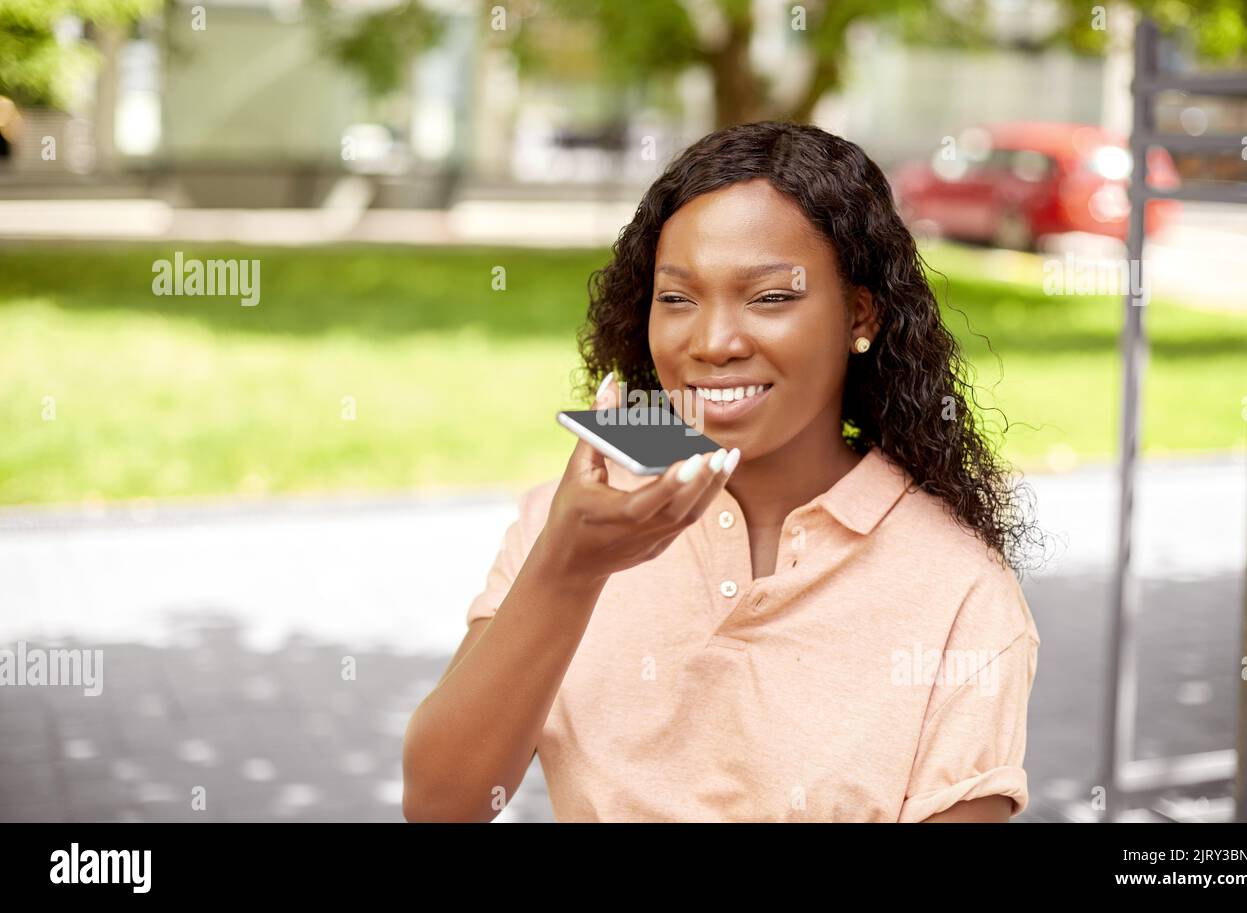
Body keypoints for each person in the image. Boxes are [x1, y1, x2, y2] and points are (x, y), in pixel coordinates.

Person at [403, 121, 1044, 823]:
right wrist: (568, 568)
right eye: (677, 298)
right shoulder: (576, 517)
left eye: (770, 297)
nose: (712, 342)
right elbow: (441, 803)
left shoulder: (959, 589)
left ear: (860, 315)